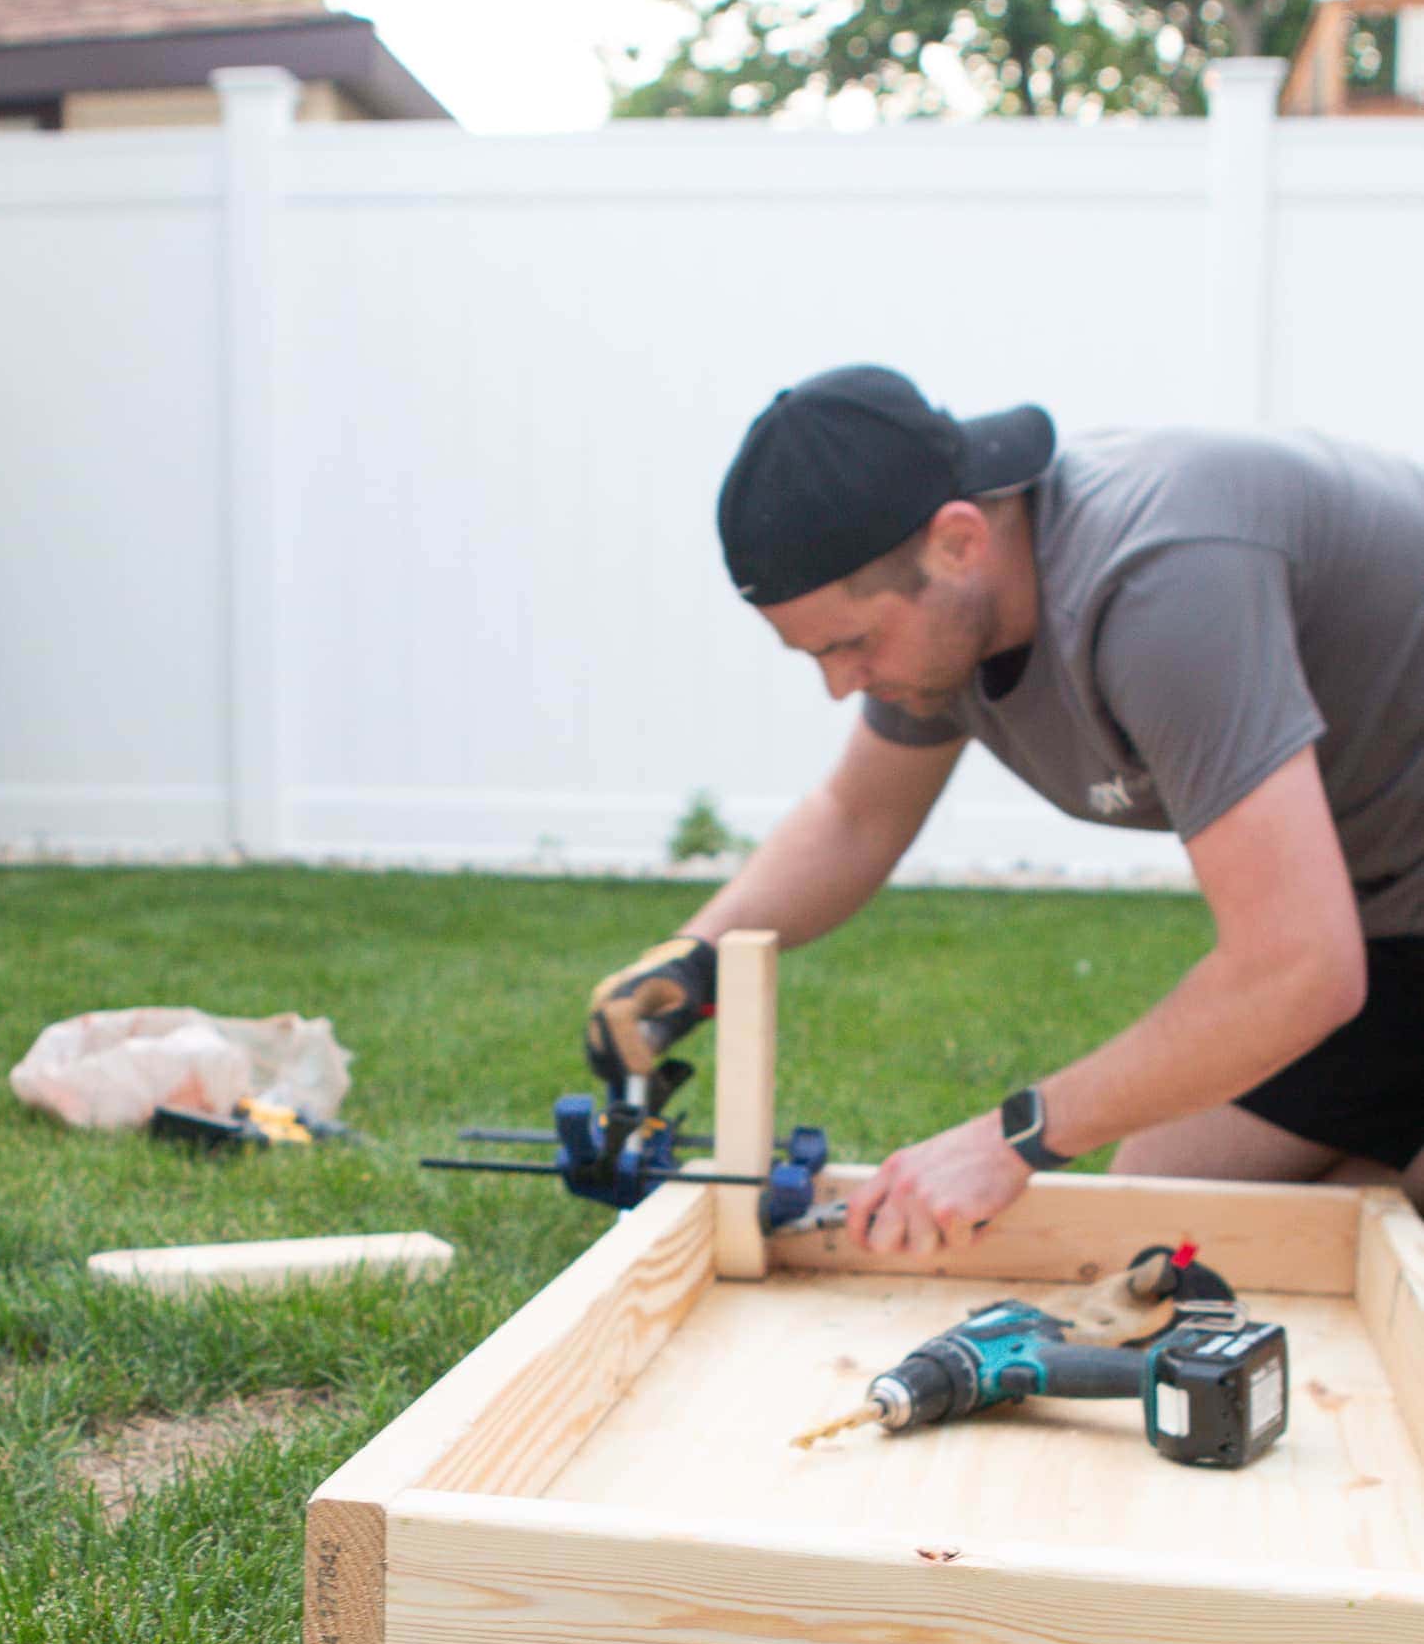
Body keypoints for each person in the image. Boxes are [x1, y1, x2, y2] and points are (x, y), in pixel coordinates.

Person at [585, 367, 1424, 1254]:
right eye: (815, 657)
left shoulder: (1159, 583)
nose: (841, 686)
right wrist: (694, 959)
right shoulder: (952, 612)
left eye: (851, 644)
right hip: (1390, 924)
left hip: (1350, 937)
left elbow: (1296, 965)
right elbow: (856, 818)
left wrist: (1015, 1135)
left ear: (956, 540)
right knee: (1161, 1225)